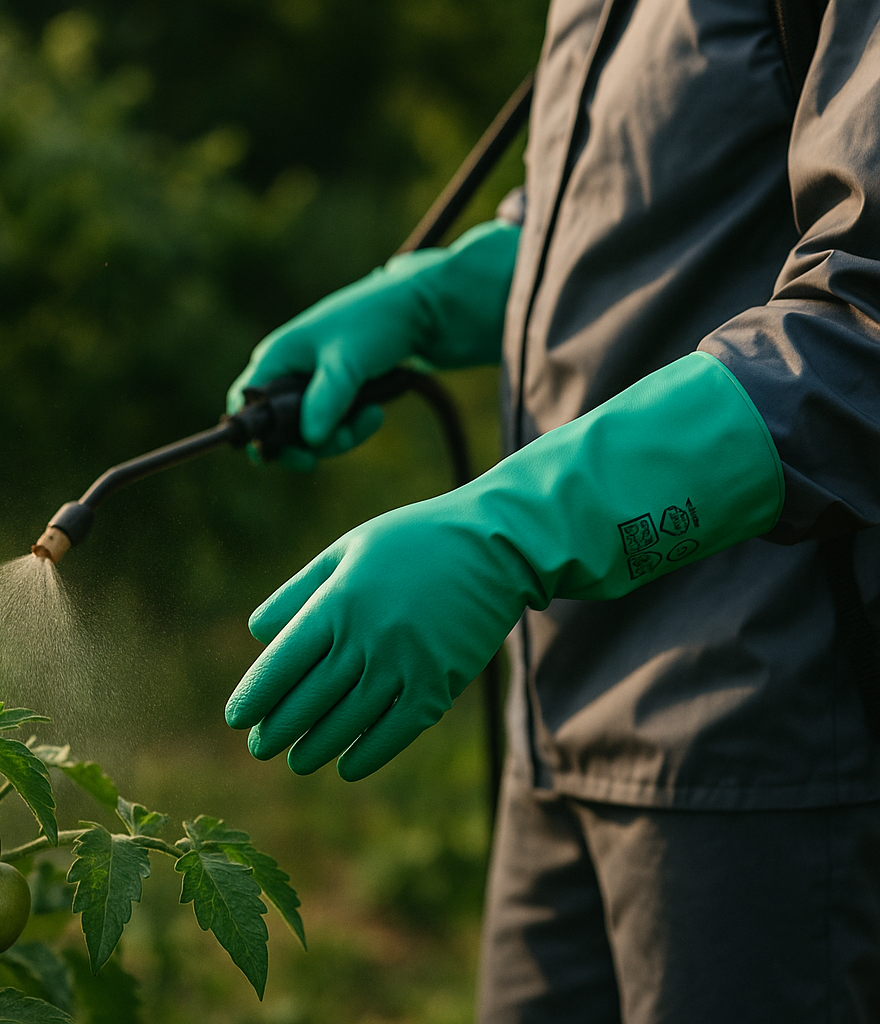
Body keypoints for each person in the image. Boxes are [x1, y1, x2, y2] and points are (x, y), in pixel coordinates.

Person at [223, 0, 880, 1019]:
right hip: (562, 705)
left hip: (764, 737)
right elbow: (637, 212)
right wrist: (436, 295)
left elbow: (862, 328)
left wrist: (514, 526)